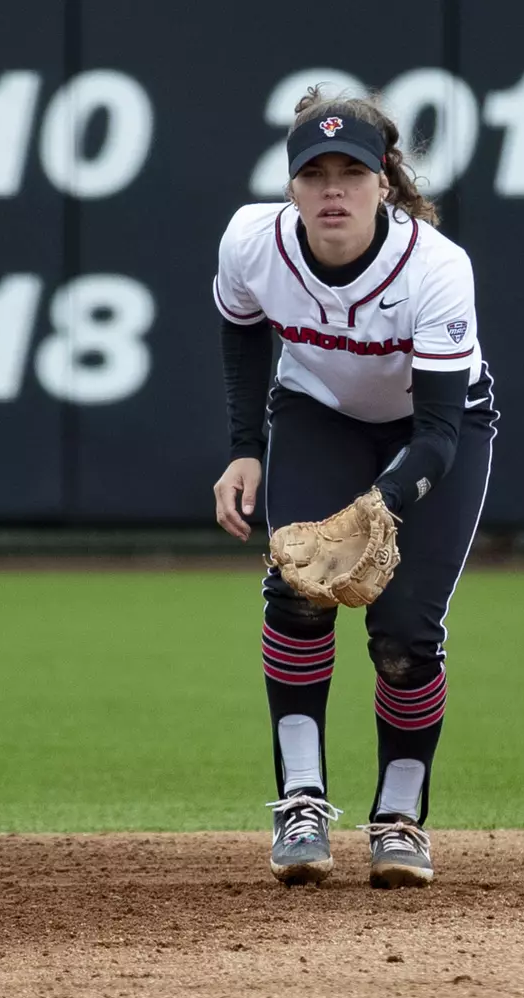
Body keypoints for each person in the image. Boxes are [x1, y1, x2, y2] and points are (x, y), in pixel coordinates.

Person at [212, 87, 498, 889]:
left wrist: (380, 506)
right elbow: (239, 329)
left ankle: (399, 819)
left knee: (403, 637)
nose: (331, 190)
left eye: (352, 172)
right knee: (297, 589)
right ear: (291, 184)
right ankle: (301, 802)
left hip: (436, 430)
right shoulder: (251, 241)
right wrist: (244, 449)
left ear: (384, 182)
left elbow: (440, 431)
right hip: (317, 414)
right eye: (314, 174)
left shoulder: (436, 268)